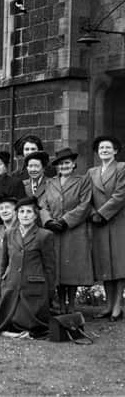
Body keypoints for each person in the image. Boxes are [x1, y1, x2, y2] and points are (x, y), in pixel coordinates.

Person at [39, 148, 92, 314]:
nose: (64, 166)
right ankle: (61, 304)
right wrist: (48, 221)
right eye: (61, 164)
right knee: (58, 268)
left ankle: (71, 305)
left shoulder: (82, 181)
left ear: (73, 164)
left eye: (67, 163)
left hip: (73, 230)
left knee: (72, 268)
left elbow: (85, 204)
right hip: (54, 230)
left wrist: (66, 220)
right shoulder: (50, 183)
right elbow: (42, 205)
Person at [0, 197, 55, 338]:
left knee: (33, 326)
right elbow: (4, 262)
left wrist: (49, 290)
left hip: (33, 287)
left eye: (29, 212)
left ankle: (27, 330)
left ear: (35, 216)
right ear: (17, 214)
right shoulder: (9, 233)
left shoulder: (44, 235)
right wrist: (3, 282)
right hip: (12, 285)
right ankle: (13, 332)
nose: (25, 215)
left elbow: (50, 267)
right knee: (8, 322)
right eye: (21, 211)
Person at [87, 136, 125, 321]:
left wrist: (102, 213)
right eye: (101, 147)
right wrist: (93, 213)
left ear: (115, 151)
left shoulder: (122, 168)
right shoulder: (92, 172)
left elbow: (120, 195)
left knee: (118, 264)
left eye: (108, 147)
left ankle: (118, 306)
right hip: (98, 223)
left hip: (116, 221)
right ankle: (108, 305)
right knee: (105, 264)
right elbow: (87, 196)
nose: (104, 150)